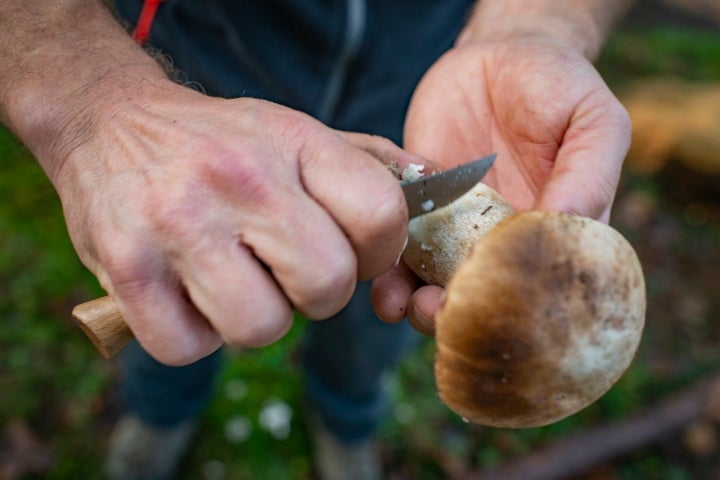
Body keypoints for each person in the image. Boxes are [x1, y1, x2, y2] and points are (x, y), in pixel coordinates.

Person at [0, 0, 634, 478]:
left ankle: (345, 421)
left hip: (428, 98)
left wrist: (534, 26)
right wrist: (93, 99)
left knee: (375, 324)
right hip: (197, 86)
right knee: (172, 280)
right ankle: (159, 412)